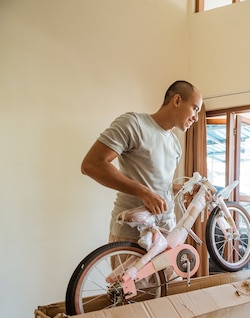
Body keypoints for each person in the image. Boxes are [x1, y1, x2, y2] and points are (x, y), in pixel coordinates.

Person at [81, 80, 203, 244]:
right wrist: (143, 192)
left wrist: (183, 190)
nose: (196, 118)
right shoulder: (134, 124)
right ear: (177, 100)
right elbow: (92, 165)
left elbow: (160, 186)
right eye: (195, 108)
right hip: (131, 234)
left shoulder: (175, 144)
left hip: (165, 233)